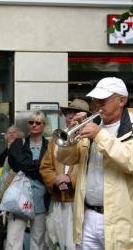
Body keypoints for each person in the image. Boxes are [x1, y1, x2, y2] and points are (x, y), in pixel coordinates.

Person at [55, 77, 133, 250]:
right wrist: (72, 137)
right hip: (87, 216)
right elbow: (65, 158)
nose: (97, 104)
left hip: (121, 219)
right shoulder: (93, 125)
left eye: (103, 100)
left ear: (121, 100)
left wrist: (100, 135)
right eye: (94, 99)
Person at [40, 99, 91, 250]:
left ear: (85, 117)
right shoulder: (55, 141)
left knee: (74, 245)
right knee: (54, 243)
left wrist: (70, 180)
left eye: (76, 113)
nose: (71, 116)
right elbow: (45, 167)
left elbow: (91, 172)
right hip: (57, 200)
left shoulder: (90, 141)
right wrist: (55, 180)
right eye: (69, 113)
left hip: (79, 202)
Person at [6, 111, 49, 250]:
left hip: (41, 199)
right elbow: (17, 164)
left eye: (38, 122)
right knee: (13, 240)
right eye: (31, 122)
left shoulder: (50, 145)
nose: (34, 125)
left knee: (38, 241)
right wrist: (39, 167)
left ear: (44, 125)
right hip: (20, 198)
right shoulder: (19, 143)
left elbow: (50, 168)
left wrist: (29, 165)